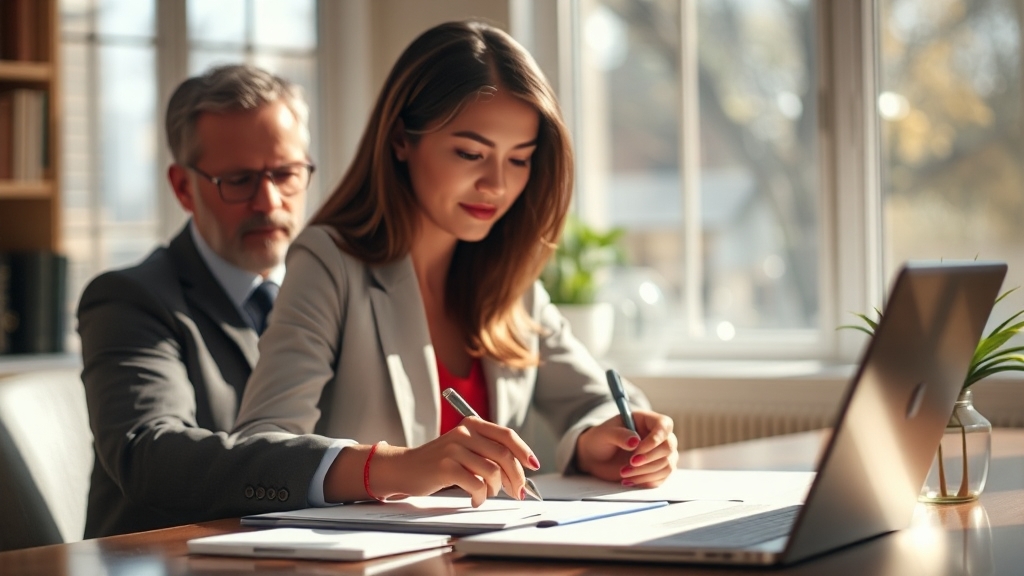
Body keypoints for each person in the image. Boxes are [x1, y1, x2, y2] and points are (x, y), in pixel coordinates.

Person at [233, 20, 679, 508]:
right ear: (402, 139)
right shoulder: (330, 262)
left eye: (520, 159)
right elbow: (259, 453)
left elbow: (595, 400)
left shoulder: (510, 278)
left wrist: (608, 439)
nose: (497, 185)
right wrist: (398, 467)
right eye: (471, 153)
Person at [77, 64, 335, 537]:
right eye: (238, 180)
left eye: (285, 173)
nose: (270, 201)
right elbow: (151, 452)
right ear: (182, 188)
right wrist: (350, 467)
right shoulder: (130, 299)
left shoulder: (326, 292)